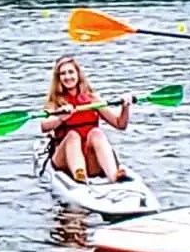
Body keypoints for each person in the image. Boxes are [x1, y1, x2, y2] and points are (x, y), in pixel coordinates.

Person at [39, 55, 131, 183]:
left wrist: (125, 107)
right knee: (73, 135)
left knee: (96, 133)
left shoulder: (92, 99)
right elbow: (44, 126)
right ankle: (79, 175)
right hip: (64, 161)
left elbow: (120, 124)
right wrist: (61, 117)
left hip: (90, 159)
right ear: (58, 78)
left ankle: (114, 176)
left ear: (78, 74)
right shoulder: (55, 102)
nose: (67, 77)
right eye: (63, 74)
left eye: (71, 72)